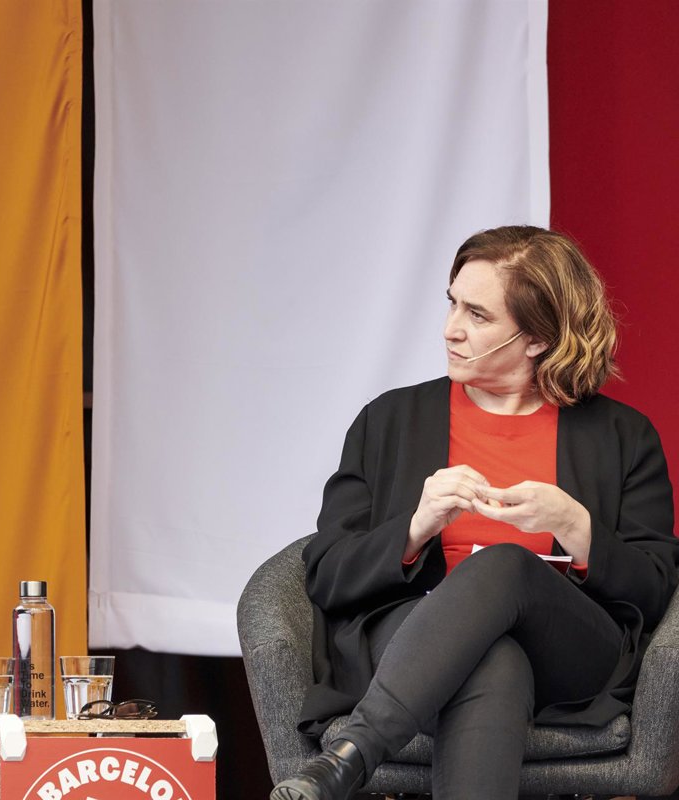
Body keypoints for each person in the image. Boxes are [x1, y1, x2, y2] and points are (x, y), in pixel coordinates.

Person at [271, 226, 679, 800]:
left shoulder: (622, 436)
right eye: (453, 303)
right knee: (493, 658)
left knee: (506, 565)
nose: (451, 329)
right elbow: (327, 574)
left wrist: (574, 526)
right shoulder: (389, 421)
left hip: (571, 651)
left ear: (537, 338)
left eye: (478, 315)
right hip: (411, 638)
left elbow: (656, 590)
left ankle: (352, 754)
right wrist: (416, 527)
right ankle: (351, 758)